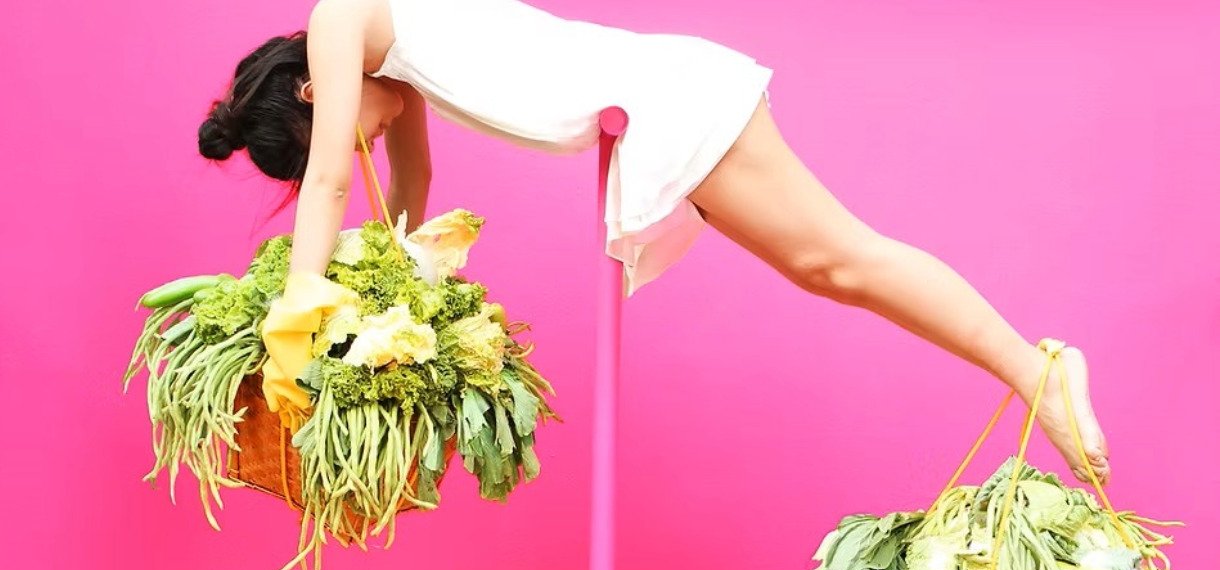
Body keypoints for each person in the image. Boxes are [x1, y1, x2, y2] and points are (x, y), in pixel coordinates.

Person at [197, 0, 1112, 485]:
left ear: (314, 96)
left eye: (346, 130)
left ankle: (1038, 374)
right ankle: (1033, 372)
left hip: (668, 98)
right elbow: (414, 190)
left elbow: (326, 183)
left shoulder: (340, 19)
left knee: (842, 260)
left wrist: (296, 309)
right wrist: (373, 294)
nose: (360, 143)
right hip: (655, 105)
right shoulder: (389, 59)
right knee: (826, 268)